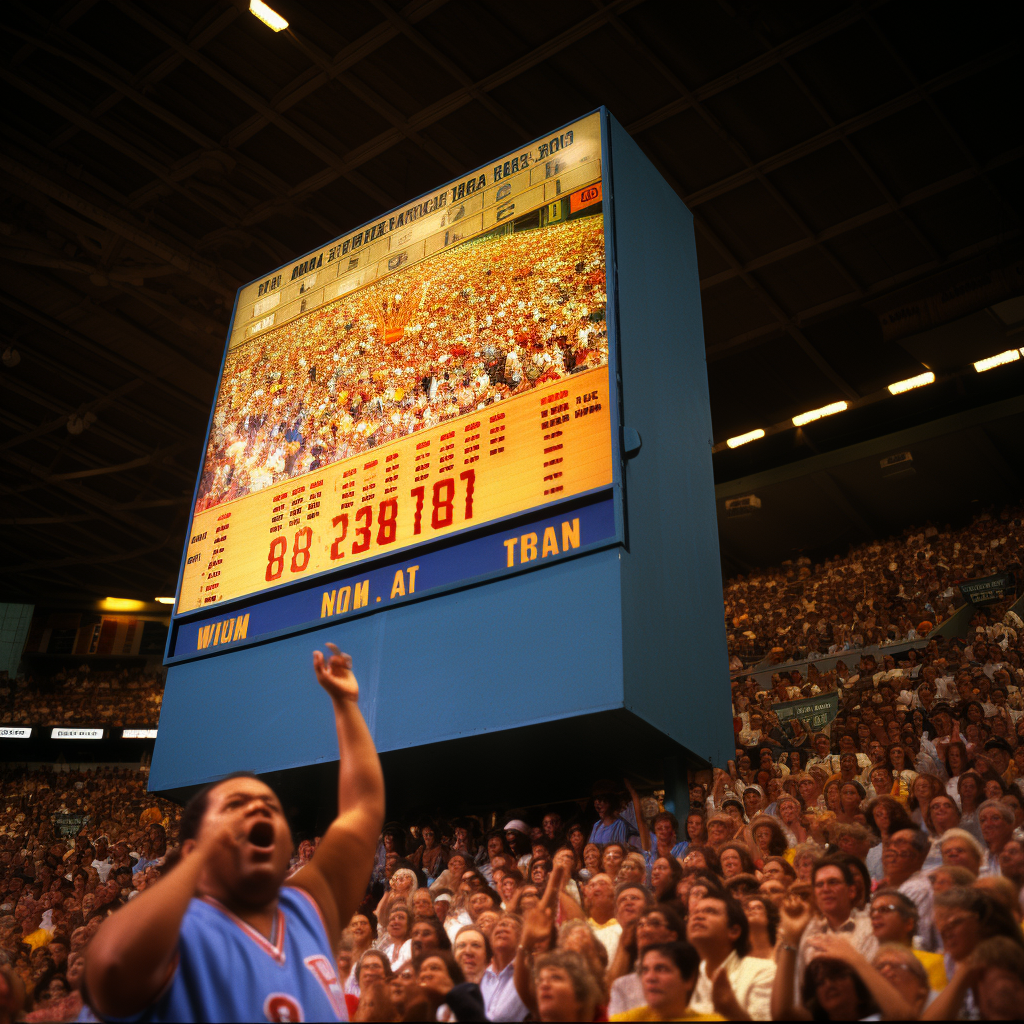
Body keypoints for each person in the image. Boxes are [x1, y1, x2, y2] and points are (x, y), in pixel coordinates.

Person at [82, 644, 385, 1022]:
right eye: (235, 805)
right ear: (191, 848)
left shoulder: (306, 908)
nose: (259, 807)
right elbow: (111, 968)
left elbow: (363, 810)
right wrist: (201, 859)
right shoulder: (175, 928)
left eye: (271, 807)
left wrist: (346, 706)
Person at [686, 893, 775, 1020]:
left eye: (710, 911)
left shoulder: (763, 971)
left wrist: (732, 1011)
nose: (698, 916)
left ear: (734, 931)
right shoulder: (688, 974)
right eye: (694, 913)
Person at [611, 941, 724, 1022]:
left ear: (689, 979)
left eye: (661, 969)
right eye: (645, 970)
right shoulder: (629, 1019)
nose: (650, 977)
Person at [868, 888, 946, 991]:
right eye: (872, 911)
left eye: (885, 909)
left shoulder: (932, 963)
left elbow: (936, 1006)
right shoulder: (870, 968)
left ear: (909, 923)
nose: (875, 915)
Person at [480, 913, 528, 1021]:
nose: (503, 928)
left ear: (522, 938)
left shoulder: (528, 973)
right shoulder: (480, 976)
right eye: (501, 925)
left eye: (513, 927)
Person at [978, 798, 1016, 875]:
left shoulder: (1020, 855)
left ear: (1010, 824)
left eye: (995, 818)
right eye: (983, 820)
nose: (988, 824)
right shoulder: (980, 859)